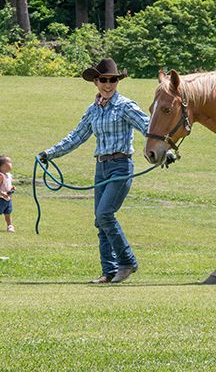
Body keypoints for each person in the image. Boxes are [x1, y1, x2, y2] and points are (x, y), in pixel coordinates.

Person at [39, 58, 150, 284]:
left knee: (105, 214)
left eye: (112, 80)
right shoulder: (92, 111)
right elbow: (76, 137)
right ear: (96, 82)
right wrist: (48, 154)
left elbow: (149, 127)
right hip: (101, 167)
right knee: (100, 221)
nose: (107, 85)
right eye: (103, 80)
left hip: (121, 165)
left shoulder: (126, 106)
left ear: (117, 81)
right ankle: (109, 271)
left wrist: (166, 149)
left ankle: (127, 262)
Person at [0, 154, 15, 233]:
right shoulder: (1, 176)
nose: (11, 164)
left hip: (8, 198)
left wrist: (11, 189)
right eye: (8, 162)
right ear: (2, 166)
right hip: (0, 199)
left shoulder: (8, 175)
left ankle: (10, 226)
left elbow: (7, 185)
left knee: (8, 213)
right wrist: (2, 193)